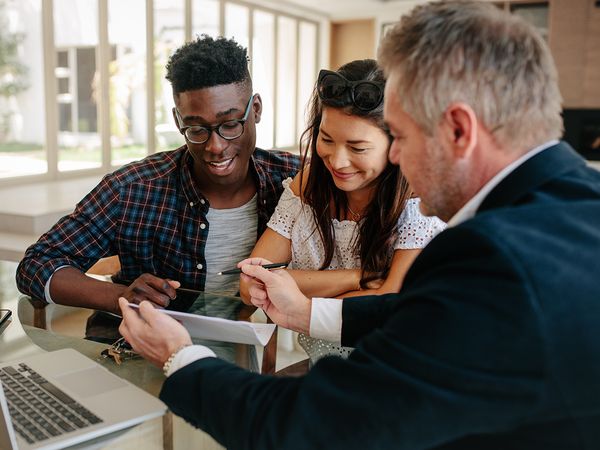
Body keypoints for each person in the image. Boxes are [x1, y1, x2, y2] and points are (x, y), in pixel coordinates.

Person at [119, 2, 600, 449]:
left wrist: (180, 357)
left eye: (402, 136)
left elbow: (313, 428)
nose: (395, 156)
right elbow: (418, 313)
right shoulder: (577, 202)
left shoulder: (494, 257)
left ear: (458, 129)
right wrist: (306, 315)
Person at [15, 35, 299, 313]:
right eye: (197, 129)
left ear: (256, 110)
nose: (216, 146)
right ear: (178, 122)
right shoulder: (133, 190)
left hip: (251, 352)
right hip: (140, 352)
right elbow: (36, 265)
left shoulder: (295, 181)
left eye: (230, 124)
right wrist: (120, 297)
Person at [239, 59, 444, 363]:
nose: (337, 161)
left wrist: (296, 293)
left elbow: (389, 303)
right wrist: (359, 278)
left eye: (358, 148)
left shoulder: (418, 199)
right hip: (324, 372)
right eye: (326, 139)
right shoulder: (307, 185)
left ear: (396, 143)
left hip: (400, 376)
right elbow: (250, 285)